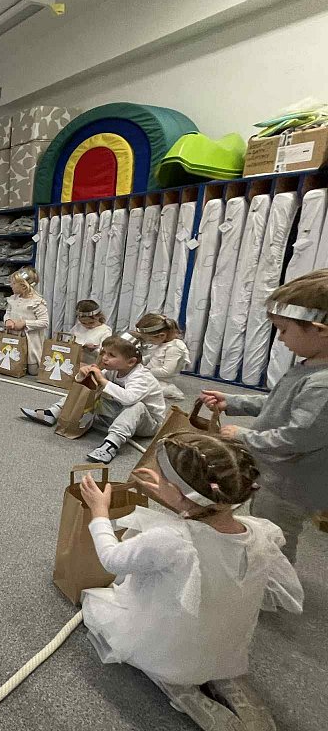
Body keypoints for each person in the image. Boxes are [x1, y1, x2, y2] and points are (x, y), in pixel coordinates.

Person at [78, 433, 302, 731]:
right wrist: (173, 495)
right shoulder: (262, 533)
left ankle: (174, 679)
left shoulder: (171, 540)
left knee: (96, 604)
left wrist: (99, 512)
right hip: (226, 640)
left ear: (181, 495)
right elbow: (204, 518)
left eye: (162, 478)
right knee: (214, 624)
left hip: (174, 641)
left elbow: (111, 559)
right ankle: (222, 674)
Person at [201, 270, 328, 563]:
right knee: (264, 526)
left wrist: (244, 436)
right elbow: (279, 404)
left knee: (274, 540)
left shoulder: (322, 383)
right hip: (276, 471)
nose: (280, 338)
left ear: (320, 330)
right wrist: (234, 402)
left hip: (289, 484)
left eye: (283, 330)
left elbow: (297, 437)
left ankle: (273, 585)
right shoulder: (311, 365)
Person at [22, 334, 166, 464]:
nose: (104, 358)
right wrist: (83, 375)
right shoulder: (114, 370)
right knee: (93, 389)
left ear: (131, 362)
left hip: (147, 424)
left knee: (137, 405)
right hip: (120, 412)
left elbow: (129, 399)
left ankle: (111, 444)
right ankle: (52, 412)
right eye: (104, 352)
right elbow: (90, 386)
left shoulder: (141, 377)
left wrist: (102, 381)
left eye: (111, 355)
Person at [4, 268, 49, 375]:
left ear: (23, 286)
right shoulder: (13, 299)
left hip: (30, 339)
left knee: (33, 371)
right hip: (14, 335)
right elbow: (8, 312)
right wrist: (7, 320)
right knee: (13, 361)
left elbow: (44, 322)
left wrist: (25, 323)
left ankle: (31, 363)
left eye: (13, 283)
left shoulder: (36, 302)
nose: (11, 285)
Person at [136, 313, 190, 402]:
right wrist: (141, 360)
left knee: (138, 388)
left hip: (161, 379)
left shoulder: (174, 347)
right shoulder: (162, 342)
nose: (149, 342)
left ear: (161, 335)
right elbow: (153, 356)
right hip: (150, 373)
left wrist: (145, 370)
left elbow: (167, 372)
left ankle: (168, 391)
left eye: (150, 340)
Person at [70, 299, 112, 365]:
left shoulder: (105, 330)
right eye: (83, 323)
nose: (88, 325)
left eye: (91, 322)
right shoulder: (77, 327)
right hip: (74, 363)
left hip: (92, 365)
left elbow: (105, 352)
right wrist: (81, 346)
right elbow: (67, 343)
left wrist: (95, 349)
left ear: (99, 316)